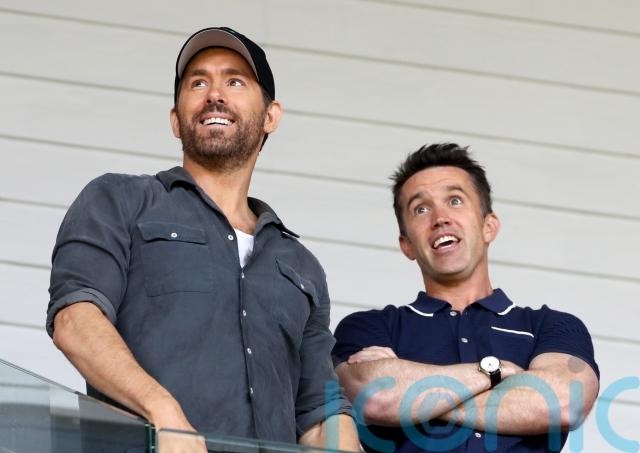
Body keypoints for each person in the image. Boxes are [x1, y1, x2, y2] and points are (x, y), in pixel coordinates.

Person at [47, 26, 359, 451]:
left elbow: (320, 414)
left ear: (271, 116)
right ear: (176, 120)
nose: (214, 94)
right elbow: (75, 319)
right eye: (197, 83)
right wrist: (163, 412)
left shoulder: (301, 265)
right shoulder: (119, 200)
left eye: (235, 81)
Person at [332, 143, 599, 452]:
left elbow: (564, 403)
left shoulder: (551, 326)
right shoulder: (369, 327)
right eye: (421, 209)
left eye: (455, 200)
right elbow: (376, 398)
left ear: (489, 226)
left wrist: (414, 399)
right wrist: (495, 372)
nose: (440, 218)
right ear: (407, 244)